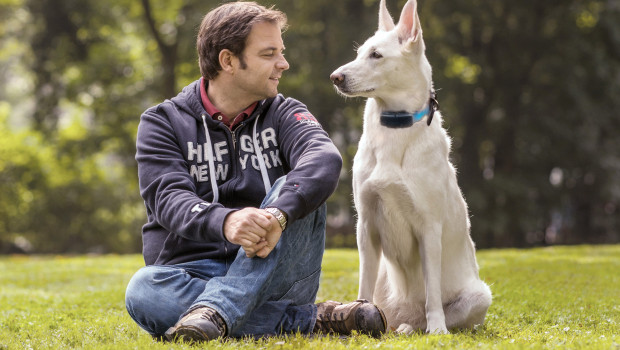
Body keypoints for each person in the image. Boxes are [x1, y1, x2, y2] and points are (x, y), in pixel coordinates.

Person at [124, 1, 387, 342]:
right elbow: (169, 198)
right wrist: (227, 222)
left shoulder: (285, 112)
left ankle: (215, 312)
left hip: (277, 271)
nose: (283, 63)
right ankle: (310, 320)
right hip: (192, 273)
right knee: (145, 291)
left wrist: (278, 214)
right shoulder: (163, 122)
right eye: (269, 54)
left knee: (293, 186)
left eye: (281, 51)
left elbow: (323, 159)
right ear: (228, 60)